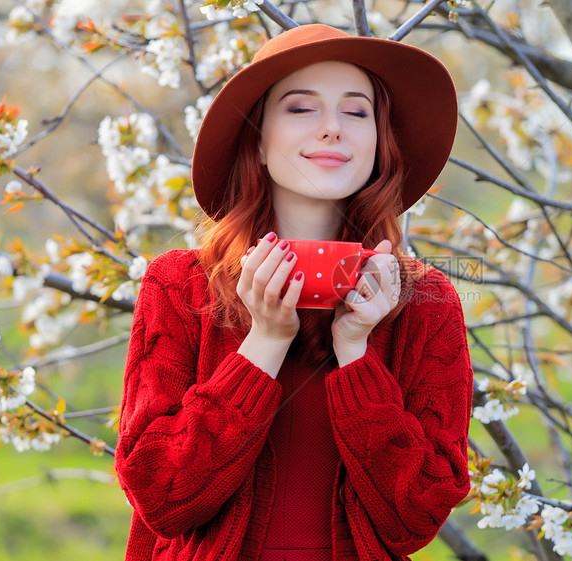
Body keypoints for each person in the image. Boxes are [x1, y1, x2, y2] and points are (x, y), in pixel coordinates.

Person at [114, 23, 474, 561]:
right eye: (302, 108)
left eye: (356, 112)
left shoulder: (424, 300)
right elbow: (161, 498)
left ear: (378, 144)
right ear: (257, 140)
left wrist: (356, 351)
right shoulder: (180, 284)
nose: (333, 129)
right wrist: (262, 343)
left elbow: (415, 518)